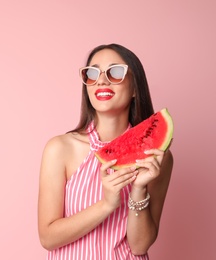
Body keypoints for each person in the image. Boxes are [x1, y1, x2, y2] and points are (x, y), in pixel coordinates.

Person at [38, 43, 173, 259]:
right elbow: (48, 238)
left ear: (135, 89)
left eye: (116, 72)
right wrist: (106, 205)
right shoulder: (60, 149)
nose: (102, 80)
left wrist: (139, 188)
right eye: (92, 74)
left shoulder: (156, 157)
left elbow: (139, 246)